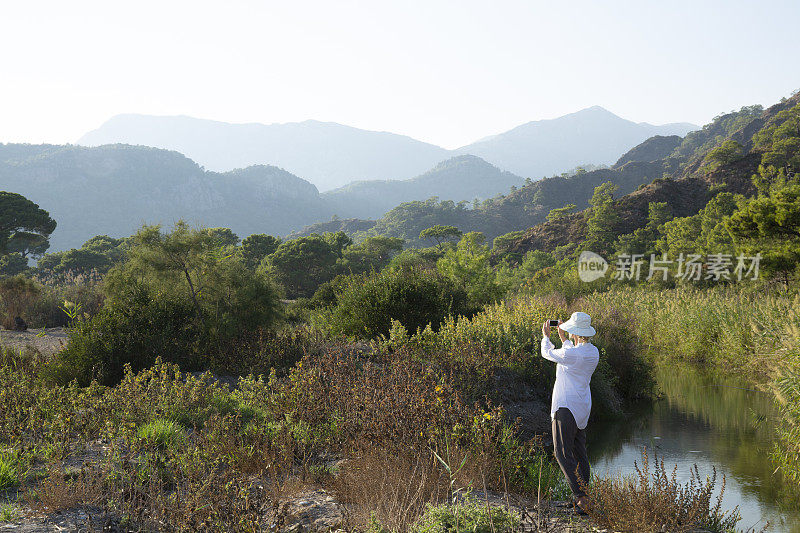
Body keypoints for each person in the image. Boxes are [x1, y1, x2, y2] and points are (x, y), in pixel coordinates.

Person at [541, 311, 599, 514]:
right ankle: (585, 496)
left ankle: (581, 499)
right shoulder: (593, 352)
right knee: (579, 453)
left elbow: (548, 354)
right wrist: (565, 339)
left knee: (561, 453)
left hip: (565, 407)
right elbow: (571, 355)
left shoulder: (573, 354)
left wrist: (546, 337)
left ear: (575, 332)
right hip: (582, 407)